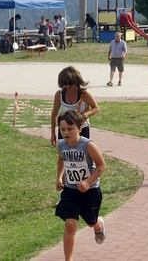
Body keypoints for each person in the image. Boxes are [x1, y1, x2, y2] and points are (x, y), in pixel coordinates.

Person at [55, 109, 107, 261]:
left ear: (79, 128)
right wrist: (59, 177)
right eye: (62, 129)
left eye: (70, 129)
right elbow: (61, 159)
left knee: (91, 222)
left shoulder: (87, 145)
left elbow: (101, 166)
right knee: (70, 224)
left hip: (90, 191)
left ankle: (98, 224)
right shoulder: (61, 145)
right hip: (71, 191)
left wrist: (87, 182)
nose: (66, 132)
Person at [50, 66, 99, 147]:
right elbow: (54, 114)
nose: (68, 86)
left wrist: (84, 116)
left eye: (70, 83)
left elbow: (96, 108)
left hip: (82, 129)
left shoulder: (84, 94)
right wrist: (53, 133)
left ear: (76, 81)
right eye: (65, 83)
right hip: (65, 130)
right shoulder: (59, 94)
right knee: (64, 154)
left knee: (82, 155)